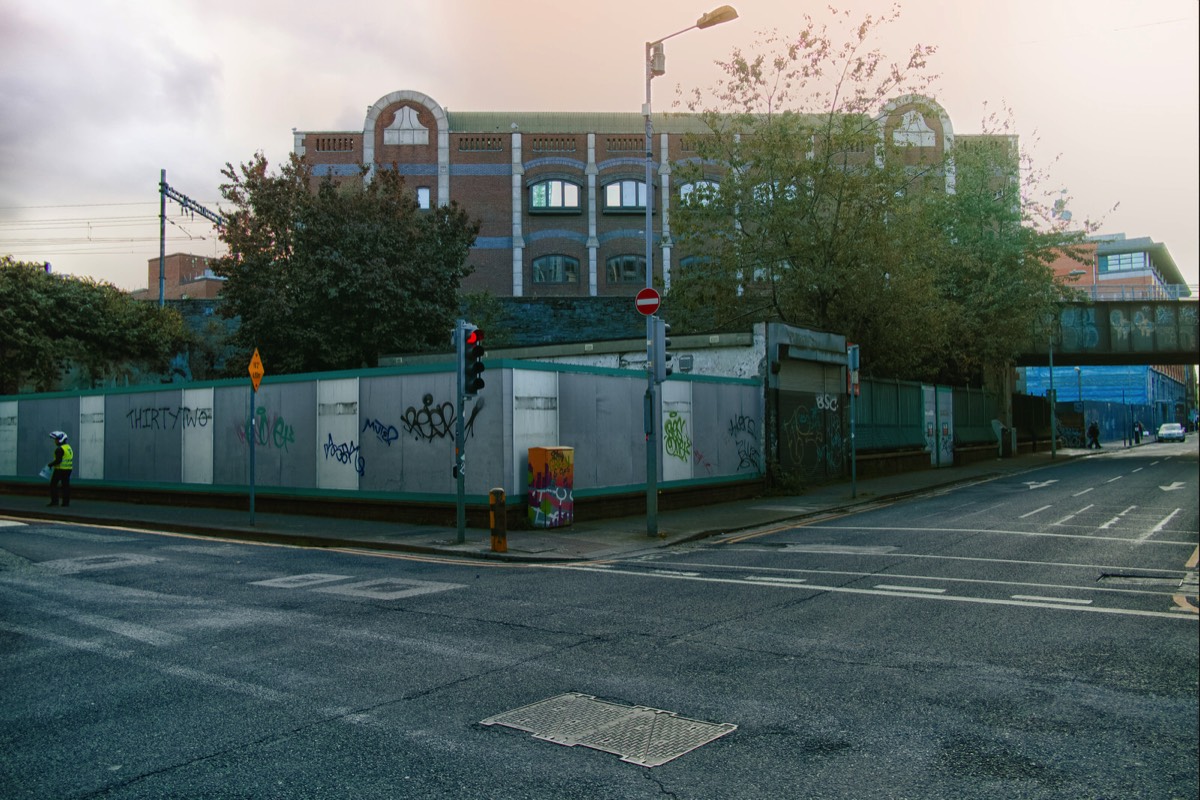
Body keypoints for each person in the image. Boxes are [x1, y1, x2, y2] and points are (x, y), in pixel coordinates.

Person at [46, 431, 73, 507]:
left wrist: (50, 464)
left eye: (56, 439)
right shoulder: (68, 447)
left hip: (60, 469)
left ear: (61, 439)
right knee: (65, 486)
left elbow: (58, 461)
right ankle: (66, 503)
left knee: (53, 485)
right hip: (68, 469)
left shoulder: (60, 449)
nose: (55, 441)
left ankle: (55, 501)